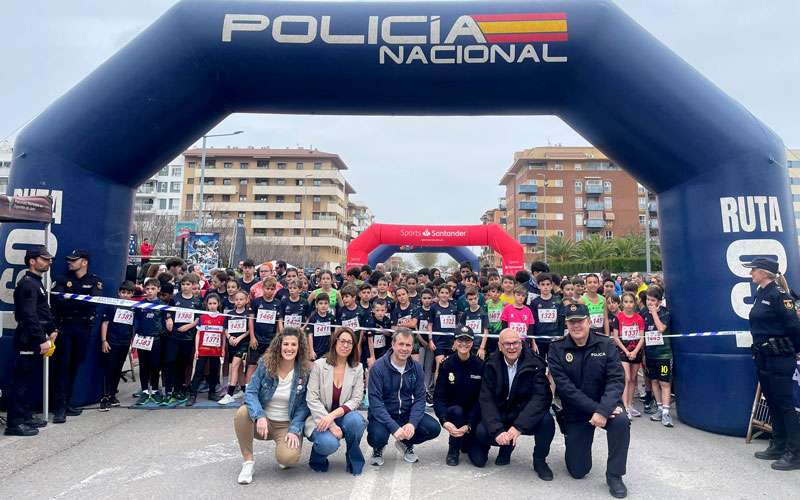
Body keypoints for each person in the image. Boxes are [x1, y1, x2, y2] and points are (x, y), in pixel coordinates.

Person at [549, 303, 630, 498]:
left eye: (580, 321)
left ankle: (615, 476)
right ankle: (571, 436)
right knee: (578, 471)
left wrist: (603, 410)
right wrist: (597, 410)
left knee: (621, 421)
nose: (576, 326)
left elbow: (616, 380)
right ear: (566, 324)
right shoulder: (557, 348)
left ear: (590, 321)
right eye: (571, 322)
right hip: (577, 410)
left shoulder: (606, 344)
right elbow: (566, 390)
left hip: (607, 405)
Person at [470, 328, 555, 480]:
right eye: (507, 344)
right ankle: (504, 446)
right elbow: (486, 399)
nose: (512, 347)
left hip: (521, 414)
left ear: (521, 344)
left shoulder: (535, 363)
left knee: (547, 421)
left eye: (515, 343)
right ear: (500, 346)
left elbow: (541, 398)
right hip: (500, 414)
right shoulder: (490, 364)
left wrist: (519, 427)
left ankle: (540, 461)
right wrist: (497, 430)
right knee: (481, 437)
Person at [234, 328, 311, 484]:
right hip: (264, 423)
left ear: (299, 347)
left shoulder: (304, 370)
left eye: (293, 344)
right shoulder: (266, 363)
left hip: (286, 425)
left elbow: (304, 406)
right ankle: (248, 463)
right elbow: (251, 391)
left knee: (288, 459)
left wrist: (295, 430)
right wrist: (260, 415)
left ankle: (283, 450)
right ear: (279, 345)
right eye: (286, 344)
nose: (289, 348)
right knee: (242, 413)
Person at [744, 257, 800, 470]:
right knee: (773, 402)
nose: (751, 274)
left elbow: (794, 327)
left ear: (765, 273)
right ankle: (778, 444)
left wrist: (794, 350)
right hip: (764, 357)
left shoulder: (779, 295)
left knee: (785, 404)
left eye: (754, 270)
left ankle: (795, 453)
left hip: (779, 357)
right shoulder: (762, 294)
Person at [367, 328, 441, 465]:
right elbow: (375, 402)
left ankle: (406, 443)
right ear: (393, 345)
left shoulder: (416, 368)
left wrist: (412, 423)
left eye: (408, 345)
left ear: (412, 347)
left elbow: (420, 399)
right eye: (401, 344)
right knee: (376, 436)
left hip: (405, 413)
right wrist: (394, 427)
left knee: (433, 428)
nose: (404, 348)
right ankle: (378, 448)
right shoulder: (378, 367)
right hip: (383, 415)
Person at [5, 246, 57, 436]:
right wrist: (41, 338)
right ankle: (15, 423)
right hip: (28, 338)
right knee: (20, 382)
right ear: (32, 261)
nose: (49, 262)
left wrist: (52, 329)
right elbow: (28, 315)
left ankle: (25, 415)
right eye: (44, 259)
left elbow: (42, 310)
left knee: (28, 380)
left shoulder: (36, 282)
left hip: (36, 337)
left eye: (49, 259)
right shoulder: (27, 284)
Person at [50, 249, 103, 423]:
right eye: (69, 260)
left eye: (74, 260)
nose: (70, 262)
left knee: (74, 365)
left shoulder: (94, 280)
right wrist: (81, 299)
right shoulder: (62, 279)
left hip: (83, 327)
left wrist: (73, 300)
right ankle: (59, 408)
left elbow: (94, 301)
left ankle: (67, 403)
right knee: (62, 367)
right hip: (65, 326)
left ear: (84, 262)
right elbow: (58, 301)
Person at [304, 327, 367, 475]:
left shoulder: (357, 368)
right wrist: (330, 423)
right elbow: (311, 398)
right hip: (319, 418)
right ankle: (317, 458)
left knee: (356, 421)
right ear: (335, 342)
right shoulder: (319, 365)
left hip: (342, 417)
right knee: (329, 443)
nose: (345, 345)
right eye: (342, 341)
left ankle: (353, 459)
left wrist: (332, 416)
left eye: (350, 343)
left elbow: (357, 399)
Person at [433, 327, 483, 466]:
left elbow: (481, 400)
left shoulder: (479, 365)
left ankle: (467, 439)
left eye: (467, 340)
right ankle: (453, 449)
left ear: (472, 343)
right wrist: (443, 420)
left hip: (473, 416)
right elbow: (439, 397)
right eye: (460, 340)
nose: (464, 344)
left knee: (480, 461)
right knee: (456, 410)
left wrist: (470, 424)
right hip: (455, 414)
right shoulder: (447, 364)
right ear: (455, 342)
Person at [132, 278, 174, 406]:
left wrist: (169, 321)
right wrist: (134, 336)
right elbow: (136, 322)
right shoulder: (140, 305)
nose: (149, 291)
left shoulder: (162, 306)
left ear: (158, 289)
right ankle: (145, 391)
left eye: (153, 289)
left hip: (156, 339)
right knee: (143, 365)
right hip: (142, 339)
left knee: (155, 365)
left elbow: (167, 321)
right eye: (147, 289)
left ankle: (155, 390)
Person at [99, 281, 136, 411]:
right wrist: (104, 340)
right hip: (112, 342)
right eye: (123, 292)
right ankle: (105, 396)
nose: (125, 295)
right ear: (119, 293)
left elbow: (133, 326)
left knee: (117, 369)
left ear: (132, 294)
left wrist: (133, 342)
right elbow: (105, 323)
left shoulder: (133, 307)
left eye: (128, 293)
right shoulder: (112, 305)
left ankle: (113, 394)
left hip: (124, 343)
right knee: (109, 369)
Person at [640, 286, 674, 427]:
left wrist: (654, 313)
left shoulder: (665, 313)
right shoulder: (642, 313)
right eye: (648, 299)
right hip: (650, 355)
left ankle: (666, 412)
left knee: (664, 383)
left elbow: (661, 329)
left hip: (664, 355)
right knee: (653, 381)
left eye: (653, 300)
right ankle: (659, 408)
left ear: (659, 301)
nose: (650, 303)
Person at [187, 293, 225, 405]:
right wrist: (197, 350)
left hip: (216, 350)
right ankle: (193, 394)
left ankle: (212, 392)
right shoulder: (202, 317)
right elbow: (198, 334)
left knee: (214, 371)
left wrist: (223, 349)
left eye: (214, 303)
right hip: (203, 349)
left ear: (218, 304)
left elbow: (223, 335)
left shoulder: (222, 318)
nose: (212, 306)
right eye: (210, 303)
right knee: (198, 371)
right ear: (206, 304)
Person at [612, 292, 645, 419]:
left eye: (631, 302)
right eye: (625, 302)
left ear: (635, 303)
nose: (628, 304)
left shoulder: (639, 318)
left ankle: (630, 405)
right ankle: (625, 406)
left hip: (636, 351)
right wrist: (626, 351)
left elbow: (642, 337)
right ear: (622, 303)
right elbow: (615, 337)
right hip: (623, 352)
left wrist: (635, 351)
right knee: (625, 378)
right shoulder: (618, 318)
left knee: (632, 379)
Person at [219, 290, 254, 405]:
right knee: (238, 369)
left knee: (234, 366)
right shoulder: (230, 313)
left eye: (241, 299)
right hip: (232, 344)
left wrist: (239, 338)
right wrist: (229, 337)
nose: (238, 301)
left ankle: (229, 394)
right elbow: (225, 328)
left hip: (243, 344)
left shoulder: (248, 314)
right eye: (237, 299)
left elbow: (249, 329)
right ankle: (244, 390)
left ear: (246, 300)